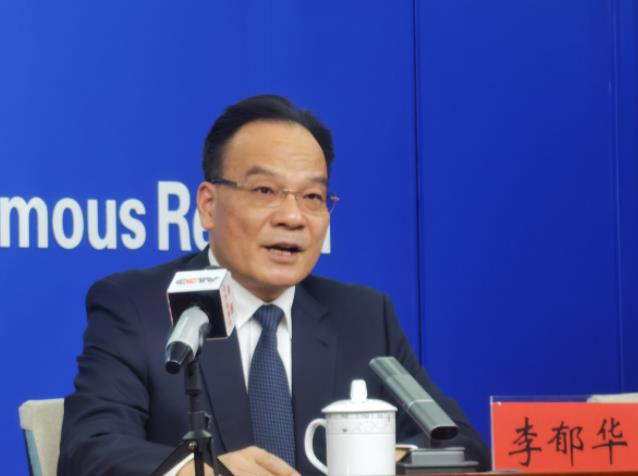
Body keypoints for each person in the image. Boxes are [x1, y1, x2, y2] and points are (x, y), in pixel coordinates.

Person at [59, 95, 490, 476]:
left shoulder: (363, 316)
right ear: (208, 205)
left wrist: (382, 459)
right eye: (265, 190)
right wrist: (204, 471)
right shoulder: (138, 306)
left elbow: (459, 443)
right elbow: (89, 451)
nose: (293, 217)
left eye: (313, 197)